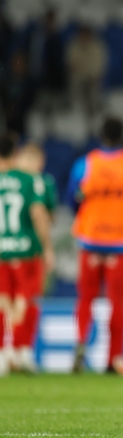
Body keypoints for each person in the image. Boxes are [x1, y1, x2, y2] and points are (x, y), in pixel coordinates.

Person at [67, 117, 123, 376]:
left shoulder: (85, 164)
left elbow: (72, 198)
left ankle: (81, 343)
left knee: (86, 298)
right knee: (117, 303)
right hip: (121, 242)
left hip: (90, 239)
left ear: (101, 136)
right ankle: (114, 358)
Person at [0, 134, 54, 375]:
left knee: (3, 302)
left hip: (2, 250)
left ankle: (4, 353)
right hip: (26, 250)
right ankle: (21, 351)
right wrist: (47, 247)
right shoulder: (30, 180)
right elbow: (38, 213)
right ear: (15, 152)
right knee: (24, 301)